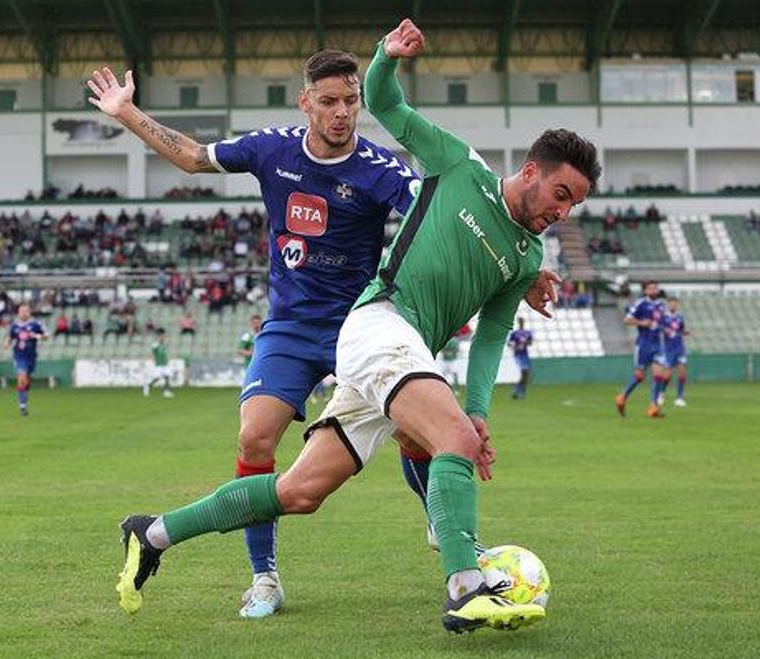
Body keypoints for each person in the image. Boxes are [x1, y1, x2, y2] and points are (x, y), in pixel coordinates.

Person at [114, 17, 600, 633]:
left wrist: (479, 410)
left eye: (573, 205)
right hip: (377, 324)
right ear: (531, 171)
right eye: (561, 194)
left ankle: (151, 532)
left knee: (299, 491)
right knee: (442, 440)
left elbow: (494, 334)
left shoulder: (528, 256)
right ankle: (464, 580)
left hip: (392, 346)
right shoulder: (461, 166)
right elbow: (387, 101)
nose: (562, 212)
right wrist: (386, 56)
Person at [88, 45, 423, 619]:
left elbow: (435, 216)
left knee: (418, 429)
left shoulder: (381, 169)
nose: (343, 112)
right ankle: (264, 577)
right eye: (330, 101)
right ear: (306, 103)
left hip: (361, 328)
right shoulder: (272, 148)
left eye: (352, 101)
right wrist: (128, 114)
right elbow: (193, 156)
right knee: (253, 439)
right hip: (291, 327)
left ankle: (452, 539)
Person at [615, 280, 667, 418]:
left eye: (655, 288)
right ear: (645, 291)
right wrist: (641, 322)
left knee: (658, 375)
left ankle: (653, 407)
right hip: (643, 345)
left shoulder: (661, 305)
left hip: (657, 345)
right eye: (650, 288)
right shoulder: (640, 304)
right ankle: (622, 397)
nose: (653, 290)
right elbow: (627, 319)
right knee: (639, 377)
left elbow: (661, 322)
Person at [2, 303, 48, 416]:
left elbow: (47, 335)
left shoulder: (36, 324)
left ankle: (24, 394)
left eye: (25, 311)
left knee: (26, 381)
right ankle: (22, 406)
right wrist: (6, 343)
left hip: (31, 357)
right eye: (21, 311)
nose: (23, 313)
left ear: (29, 312)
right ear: (18, 313)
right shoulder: (14, 326)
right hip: (19, 356)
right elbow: (9, 336)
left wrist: (37, 336)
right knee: (22, 378)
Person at [658, 296, 688, 407]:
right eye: (671, 303)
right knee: (667, 376)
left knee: (682, 374)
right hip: (668, 349)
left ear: (677, 304)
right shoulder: (664, 317)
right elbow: (659, 327)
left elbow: (681, 329)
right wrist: (665, 330)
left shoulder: (680, 317)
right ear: (668, 305)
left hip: (680, 348)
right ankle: (661, 393)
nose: (673, 305)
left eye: (675, 303)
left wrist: (684, 332)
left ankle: (679, 398)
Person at [143, 328, 174, 398]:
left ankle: (166, 391)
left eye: (164, 335)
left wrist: (166, 358)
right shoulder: (155, 344)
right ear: (159, 336)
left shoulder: (164, 343)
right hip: (158, 364)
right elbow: (153, 353)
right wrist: (154, 360)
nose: (163, 337)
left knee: (167, 377)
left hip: (165, 363)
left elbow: (164, 352)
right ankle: (148, 386)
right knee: (157, 378)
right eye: (162, 336)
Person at [508, 317, 533, 400]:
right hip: (518, 355)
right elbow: (509, 343)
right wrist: (514, 346)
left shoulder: (528, 333)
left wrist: (526, 342)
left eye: (522, 321)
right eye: (520, 321)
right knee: (523, 373)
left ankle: (521, 392)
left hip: (525, 355)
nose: (521, 322)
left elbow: (530, 343)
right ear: (518, 322)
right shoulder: (515, 333)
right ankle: (516, 391)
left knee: (526, 375)